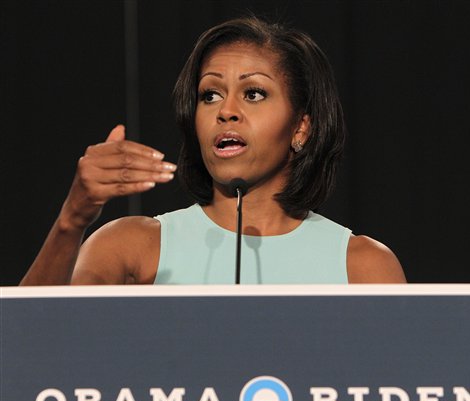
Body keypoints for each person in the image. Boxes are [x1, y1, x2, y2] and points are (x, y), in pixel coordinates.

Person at [20, 16, 406, 286]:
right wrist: (73, 219)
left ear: (301, 127)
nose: (226, 111)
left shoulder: (363, 266)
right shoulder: (131, 247)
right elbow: (27, 354)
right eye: (210, 95)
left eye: (254, 93)